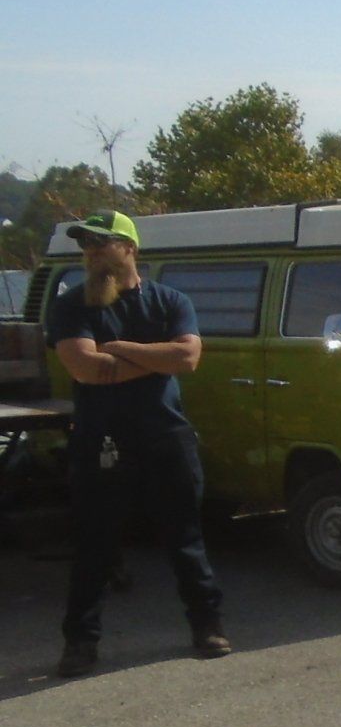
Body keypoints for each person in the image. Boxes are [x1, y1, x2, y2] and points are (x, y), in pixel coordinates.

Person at [43, 210, 228, 676]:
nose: (91, 253)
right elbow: (86, 369)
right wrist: (157, 358)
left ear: (129, 248)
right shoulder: (71, 306)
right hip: (101, 440)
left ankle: (207, 627)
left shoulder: (169, 301)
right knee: (94, 546)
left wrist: (120, 349)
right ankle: (80, 644)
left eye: (100, 243)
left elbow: (188, 358)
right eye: (86, 245)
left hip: (166, 435)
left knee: (186, 540)